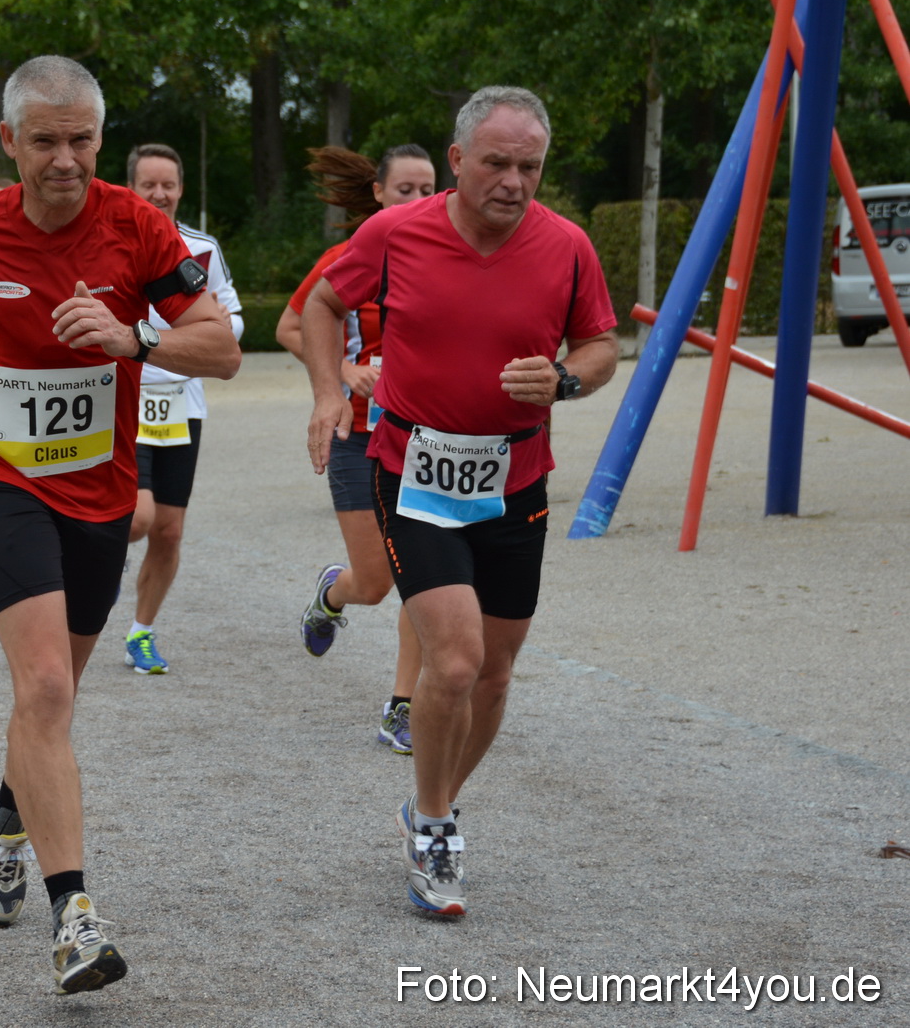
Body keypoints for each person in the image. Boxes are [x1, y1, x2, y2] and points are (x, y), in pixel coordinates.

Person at [0, 55, 240, 994]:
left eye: (82, 139)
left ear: (102, 138)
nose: (65, 159)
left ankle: (6, 813)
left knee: (50, 699)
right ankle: (75, 916)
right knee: (46, 685)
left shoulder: (139, 227)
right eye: (45, 140)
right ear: (10, 140)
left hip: (100, 490)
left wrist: (139, 337)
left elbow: (223, 347)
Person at [301, 87, 618, 918]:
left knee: (497, 674)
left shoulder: (568, 247)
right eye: (497, 163)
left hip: (517, 482)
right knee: (454, 660)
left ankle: (427, 799)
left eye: (530, 166)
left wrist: (566, 379)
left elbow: (599, 343)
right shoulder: (396, 234)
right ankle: (437, 826)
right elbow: (323, 305)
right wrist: (329, 391)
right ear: (457, 161)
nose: (514, 182)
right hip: (414, 472)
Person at [284, 143, 437, 755]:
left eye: (429, 190)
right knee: (374, 582)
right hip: (357, 435)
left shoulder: (447, 258)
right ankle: (332, 595)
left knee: (423, 578)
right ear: (378, 193)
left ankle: (402, 707)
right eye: (405, 190)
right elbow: (291, 326)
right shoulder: (348, 258)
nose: (418, 202)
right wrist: (343, 371)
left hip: (424, 437)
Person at [119, 143, 243, 675]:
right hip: (122, 398)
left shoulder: (201, 248)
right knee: (137, 519)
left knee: (168, 530)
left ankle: (140, 632)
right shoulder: (110, 241)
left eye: (168, 184)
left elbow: (232, 322)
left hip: (181, 403)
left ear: (181, 189)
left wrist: (185, 340)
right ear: (130, 188)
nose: (159, 194)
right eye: (149, 184)